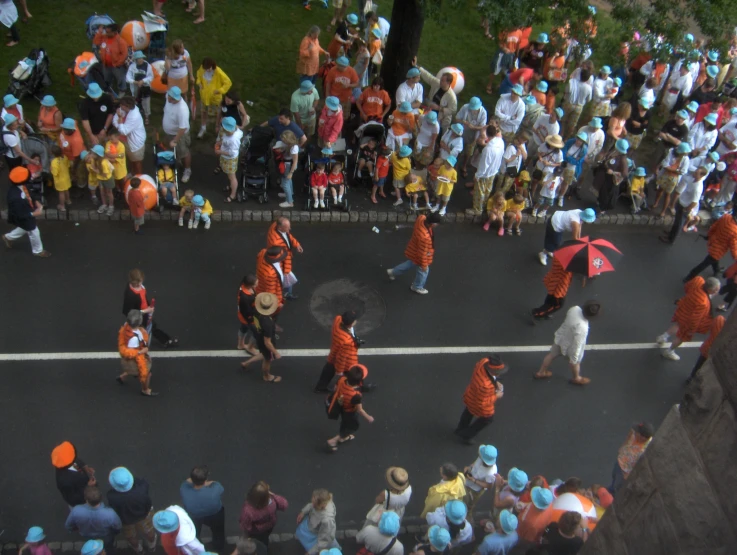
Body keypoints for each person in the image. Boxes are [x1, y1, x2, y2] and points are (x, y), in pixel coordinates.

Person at [534, 300, 601, 385]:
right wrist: (575, 358)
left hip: (561, 337)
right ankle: (576, 378)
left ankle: (541, 372)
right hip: (571, 346)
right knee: (575, 363)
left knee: (551, 355)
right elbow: (578, 343)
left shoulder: (574, 309)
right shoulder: (583, 327)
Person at [657, 276, 720, 361]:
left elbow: (687, 287)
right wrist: (691, 330)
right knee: (681, 337)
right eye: (716, 290)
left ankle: (663, 337)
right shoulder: (703, 302)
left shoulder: (698, 281)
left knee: (678, 324)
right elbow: (695, 318)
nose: (717, 291)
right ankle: (669, 351)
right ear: (711, 290)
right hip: (688, 319)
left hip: (684, 308)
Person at [455, 356, 506, 444]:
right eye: (497, 373)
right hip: (478, 402)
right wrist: (496, 396)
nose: (499, 374)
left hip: (471, 395)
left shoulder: (484, 362)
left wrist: (495, 382)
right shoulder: (485, 386)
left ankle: (460, 428)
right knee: (487, 419)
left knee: (469, 411)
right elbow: (483, 403)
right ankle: (466, 434)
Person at [122, 268, 179, 348]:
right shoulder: (131, 296)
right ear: (136, 282)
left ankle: (165, 340)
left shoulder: (138, 287)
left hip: (145, 312)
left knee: (151, 327)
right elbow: (129, 312)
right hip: (140, 317)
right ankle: (163, 341)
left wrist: (148, 308)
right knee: (148, 329)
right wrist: (146, 310)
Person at [387, 212, 441, 295]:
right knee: (423, 272)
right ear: (433, 224)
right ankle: (417, 287)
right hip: (420, 254)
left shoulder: (421, 218)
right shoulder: (425, 237)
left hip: (414, 249)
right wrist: (424, 265)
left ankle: (393, 272)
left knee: (410, 263)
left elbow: (422, 215)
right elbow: (422, 253)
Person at [107, 467, 157, 553]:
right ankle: (152, 546)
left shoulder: (112, 497)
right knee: (149, 531)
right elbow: (142, 483)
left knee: (131, 537)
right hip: (144, 516)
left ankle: (139, 550)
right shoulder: (142, 488)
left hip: (126, 521)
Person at [2, 167, 49, 257]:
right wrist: (33, 214)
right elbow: (19, 214)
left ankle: (8, 237)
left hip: (25, 212)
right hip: (23, 215)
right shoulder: (14, 198)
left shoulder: (22, 186)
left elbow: (30, 194)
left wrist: (37, 203)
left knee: (25, 228)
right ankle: (38, 251)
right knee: (33, 230)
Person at [326, 364, 374, 450]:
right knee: (352, 426)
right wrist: (368, 417)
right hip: (350, 411)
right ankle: (334, 440)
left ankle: (343, 437)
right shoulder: (356, 395)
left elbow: (335, 388)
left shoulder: (342, 379)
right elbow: (359, 410)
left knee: (345, 423)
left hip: (341, 405)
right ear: (360, 382)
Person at [180, 465, 225, 552]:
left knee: (194, 532)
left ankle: (197, 547)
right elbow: (217, 485)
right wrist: (207, 483)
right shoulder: (215, 489)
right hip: (214, 514)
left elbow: (187, 482)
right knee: (218, 531)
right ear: (206, 479)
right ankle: (219, 546)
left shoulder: (184, 489)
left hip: (194, 515)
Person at [314, 310, 360, 393]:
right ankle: (354, 386)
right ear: (351, 324)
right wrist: (339, 371)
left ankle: (320, 387)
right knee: (352, 372)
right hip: (348, 358)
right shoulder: (347, 341)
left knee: (329, 368)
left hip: (334, 351)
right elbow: (342, 357)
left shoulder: (338, 319)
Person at [242, 292, 283, 383]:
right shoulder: (267, 322)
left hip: (259, 336)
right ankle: (267, 376)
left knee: (264, 354)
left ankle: (246, 363)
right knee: (267, 359)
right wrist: (275, 352)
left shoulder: (256, 311)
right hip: (266, 340)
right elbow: (267, 342)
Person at [683, 212, 737, 281]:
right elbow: (734, 247)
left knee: (714, 260)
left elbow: (714, 226)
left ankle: (716, 270)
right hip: (719, 250)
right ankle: (689, 277)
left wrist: (709, 235)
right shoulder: (735, 231)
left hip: (713, 241)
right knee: (704, 264)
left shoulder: (726, 216)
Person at [117, 309, 158, 397]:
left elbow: (134, 316)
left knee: (132, 370)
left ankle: (122, 377)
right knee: (147, 373)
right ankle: (145, 390)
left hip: (126, 360)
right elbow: (133, 354)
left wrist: (146, 311)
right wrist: (143, 351)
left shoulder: (126, 325)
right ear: (139, 322)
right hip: (134, 360)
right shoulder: (134, 339)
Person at [661, 165, 707, 244]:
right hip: (682, 202)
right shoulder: (693, 180)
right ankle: (671, 233)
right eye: (695, 172)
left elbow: (694, 202)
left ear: (701, 175)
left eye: (697, 173)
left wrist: (686, 209)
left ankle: (671, 239)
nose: (694, 173)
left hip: (685, 206)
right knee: (676, 221)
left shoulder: (697, 188)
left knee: (679, 223)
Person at [607, 422, 654, 496]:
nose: (635, 432)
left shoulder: (647, 448)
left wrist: (629, 475)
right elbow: (628, 438)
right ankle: (609, 491)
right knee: (614, 478)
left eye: (637, 432)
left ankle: (610, 498)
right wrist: (621, 449)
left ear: (643, 437)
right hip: (620, 461)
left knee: (617, 487)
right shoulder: (634, 432)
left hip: (625, 472)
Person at [468, 124, 504, 217]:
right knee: (488, 189)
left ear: (487, 135)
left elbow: (484, 165)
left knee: (479, 191)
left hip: (485, 174)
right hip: (494, 171)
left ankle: (477, 209)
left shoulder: (488, 149)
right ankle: (484, 205)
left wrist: (477, 175)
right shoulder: (500, 142)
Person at [239, 481, 288, 546]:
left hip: (256, 531)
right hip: (270, 525)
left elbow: (245, 525)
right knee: (264, 539)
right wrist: (273, 495)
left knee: (255, 541)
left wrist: (246, 534)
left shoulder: (248, 510)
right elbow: (284, 504)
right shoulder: (272, 501)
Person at [266, 216, 303, 300]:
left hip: (281, 260)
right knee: (286, 278)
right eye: (287, 227)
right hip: (280, 262)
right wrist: (286, 270)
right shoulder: (275, 241)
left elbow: (288, 236)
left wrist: (296, 244)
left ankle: (284, 293)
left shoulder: (277, 226)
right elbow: (282, 257)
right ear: (279, 227)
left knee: (285, 279)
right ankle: (284, 294)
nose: (290, 229)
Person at [652, 141, 692, 218]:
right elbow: (665, 164)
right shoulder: (671, 153)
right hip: (665, 175)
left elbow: (683, 171)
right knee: (660, 189)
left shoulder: (686, 159)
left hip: (674, 178)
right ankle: (655, 203)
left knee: (668, 194)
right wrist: (674, 170)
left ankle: (663, 211)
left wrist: (670, 169)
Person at [195, 58, 232, 139]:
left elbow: (228, 82)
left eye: (208, 68)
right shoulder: (202, 68)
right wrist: (199, 83)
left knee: (218, 114)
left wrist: (220, 90)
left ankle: (218, 128)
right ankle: (203, 127)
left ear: (212, 66)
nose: (207, 70)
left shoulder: (218, 72)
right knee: (203, 111)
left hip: (215, 98)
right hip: (204, 96)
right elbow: (198, 75)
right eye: (205, 69)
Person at [52, 441, 96, 508]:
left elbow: (76, 460)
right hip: (81, 503)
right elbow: (72, 499)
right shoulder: (64, 481)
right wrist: (88, 487)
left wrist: (85, 467)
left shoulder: (65, 461)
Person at [162, 86, 192, 183]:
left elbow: (183, 128)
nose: (168, 98)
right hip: (168, 132)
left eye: (170, 98)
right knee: (170, 149)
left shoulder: (182, 110)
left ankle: (187, 170)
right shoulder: (168, 97)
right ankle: (176, 162)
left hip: (179, 135)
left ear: (176, 98)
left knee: (184, 152)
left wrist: (175, 140)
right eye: (168, 96)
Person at [295, 489, 339, 555]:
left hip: (316, 537)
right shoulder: (323, 501)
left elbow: (323, 542)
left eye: (314, 504)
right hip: (311, 528)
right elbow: (311, 505)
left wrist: (310, 553)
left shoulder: (327, 521)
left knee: (320, 551)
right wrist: (303, 512)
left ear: (323, 506)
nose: (312, 504)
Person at [417, 64, 458, 132]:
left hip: (440, 118)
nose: (440, 81)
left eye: (442, 80)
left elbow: (453, 110)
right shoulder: (437, 83)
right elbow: (428, 77)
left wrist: (440, 108)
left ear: (448, 82)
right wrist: (418, 67)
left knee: (435, 132)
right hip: (428, 110)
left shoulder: (452, 97)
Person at [687, 314, 726, 384]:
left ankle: (691, 377)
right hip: (716, 353)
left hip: (707, 348)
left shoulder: (720, 320)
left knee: (699, 364)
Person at [113, 96, 147, 176]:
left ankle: (139, 178)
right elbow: (114, 120)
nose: (120, 106)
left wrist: (120, 119)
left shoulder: (134, 116)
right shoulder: (124, 110)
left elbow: (123, 131)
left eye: (121, 105)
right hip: (125, 140)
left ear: (126, 106)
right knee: (131, 159)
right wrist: (119, 124)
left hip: (135, 143)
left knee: (137, 161)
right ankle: (132, 173)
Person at [595, 138, 629, 213]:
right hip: (607, 177)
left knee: (607, 194)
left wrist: (613, 172)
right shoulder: (615, 152)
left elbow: (625, 174)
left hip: (613, 180)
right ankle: (600, 203)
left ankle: (602, 209)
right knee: (603, 191)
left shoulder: (623, 159)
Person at [456, 97, 488, 177]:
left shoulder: (483, 112)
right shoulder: (465, 107)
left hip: (474, 135)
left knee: (469, 152)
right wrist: (465, 123)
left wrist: (474, 128)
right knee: (458, 149)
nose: (473, 110)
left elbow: (482, 127)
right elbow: (457, 119)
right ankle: (455, 164)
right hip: (463, 133)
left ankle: (464, 166)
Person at [92, 24, 128, 95]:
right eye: (106, 31)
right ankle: (108, 90)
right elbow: (96, 42)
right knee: (106, 78)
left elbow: (124, 54)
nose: (106, 33)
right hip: (106, 64)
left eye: (108, 32)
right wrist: (99, 32)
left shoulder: (121, 42)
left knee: (120, 79)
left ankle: (122, 91)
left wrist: (118, 63)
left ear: (115, 32)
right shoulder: (104, 38)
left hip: (117, 66)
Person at [463, 445, 498, 516]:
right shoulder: (481, 457)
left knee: (469, 503)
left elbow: (489, 486)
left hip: (475, 490)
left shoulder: (491, 473)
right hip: (467, 481)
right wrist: (469, 467)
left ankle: (467, 515)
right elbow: (475, 463)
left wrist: (474, 480)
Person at [217, 116, 243, 202]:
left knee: (232, 177)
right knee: (229, 175)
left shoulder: (234, 140)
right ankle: (231, 187)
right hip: (226, 158)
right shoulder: (236, 131)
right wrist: (221, 143)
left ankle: (233, 195)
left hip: (230, 159)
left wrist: (220, 152)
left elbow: (232, 153)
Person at [558, 132, 588, 205]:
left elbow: (578, 162)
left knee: (566, 182)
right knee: (558, 179)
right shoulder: (570, 141)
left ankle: (561, 197)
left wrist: (568, 158)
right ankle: (555, 193)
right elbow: (563, 152)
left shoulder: (584, 150)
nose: (578, 141)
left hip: (571, 167)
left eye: (580, 140)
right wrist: (571, 159)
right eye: (578, 139)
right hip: (563, 164)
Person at [562, 69, 593, 138]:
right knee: (572, 124)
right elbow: (589, 99)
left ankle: (561, 134)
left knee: (563, 120)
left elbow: (566, 91)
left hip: (569, 103)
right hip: (579, 107)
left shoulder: (572, 82)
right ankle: (566, 138)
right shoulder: (589, 88)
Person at [273, 131, 300, 208]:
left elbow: (295, 161)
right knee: (288, 181)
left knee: (285, 183)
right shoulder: (289, 145)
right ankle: (289, 193)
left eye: (284, 140)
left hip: (289, 166)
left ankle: (289, 201)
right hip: (288, 164)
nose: (283, 141)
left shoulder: (294, 148)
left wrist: (291, 173)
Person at [126, 52, 153, 124]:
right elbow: (128, 78)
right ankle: (137, 114)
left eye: (141, 58)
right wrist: (135, 82)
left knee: (146, 101)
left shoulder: (148, 66)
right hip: (135, 87)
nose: (140, 60)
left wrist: (143, 81)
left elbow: (150, 77)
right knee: (136, 100)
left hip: (145, 87)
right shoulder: (132, 66)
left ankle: (146, 116)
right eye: (138, 59)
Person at [50, 144, 71, 212]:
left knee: (61, 193)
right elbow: (68, 165)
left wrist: (51, 169)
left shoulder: (54, 162)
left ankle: (62, 206)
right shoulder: (64, 157)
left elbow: (55, 173)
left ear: (53, 153)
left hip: (60, 180)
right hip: (66, 178)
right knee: (66, 190)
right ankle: (68, 200)